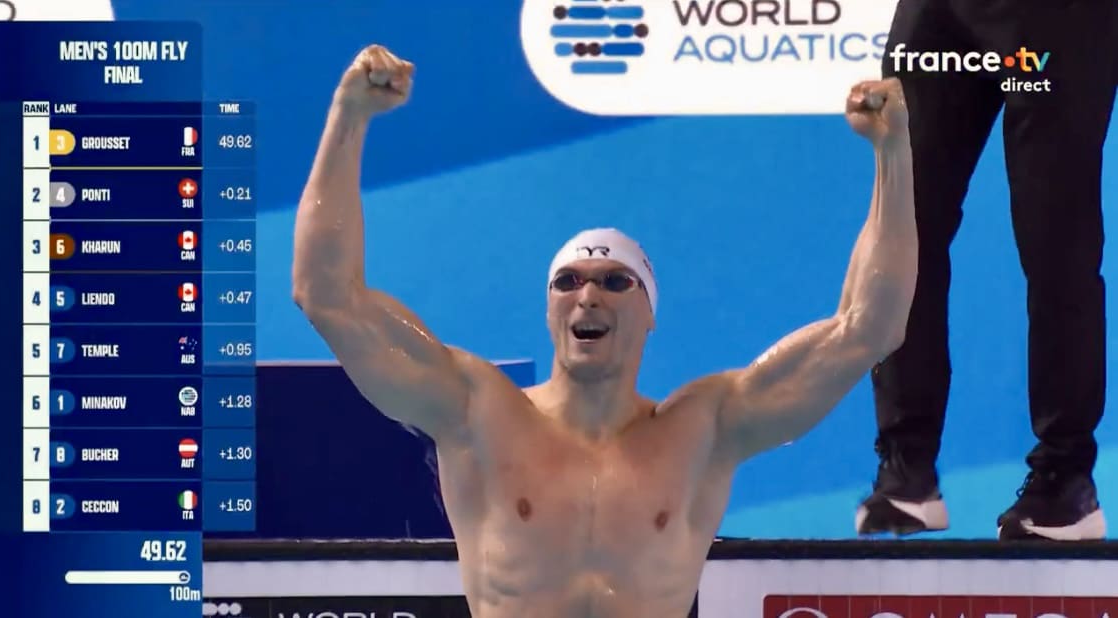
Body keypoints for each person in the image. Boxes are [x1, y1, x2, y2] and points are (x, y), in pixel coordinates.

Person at [292, 44, 915, 618]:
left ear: (649, 314)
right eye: (568, 282)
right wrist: (350, 116)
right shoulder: (474, 410)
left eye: (616, 282)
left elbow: (869, 327)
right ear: (549, 310)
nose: (587, 295)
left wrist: (893, 155)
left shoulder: (704, 428)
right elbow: (328, 296)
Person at [854, 0, 1116, 541]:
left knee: (1055, 241)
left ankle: (1065, 478)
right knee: (903, 225)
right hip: (942, 14)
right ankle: (906, 469)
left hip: (1059, 18)